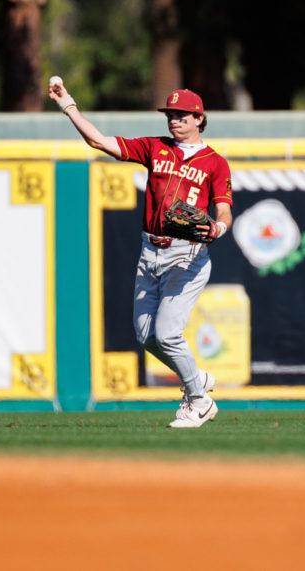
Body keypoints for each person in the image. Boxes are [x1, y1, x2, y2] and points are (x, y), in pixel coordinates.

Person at [49, 78, 233, 428]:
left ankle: (199, 400)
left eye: (182, 115)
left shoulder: (215, 163)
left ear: (199, 119)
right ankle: (197, 379)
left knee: (166, 334)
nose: (174, 120)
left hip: (187, 256)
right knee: (145, 335)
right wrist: (67, 103)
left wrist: (218, 227)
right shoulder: (154, 148)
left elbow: (224, 209)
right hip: (151, 252)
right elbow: (97, 140)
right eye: (170, 114)